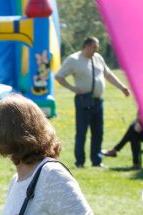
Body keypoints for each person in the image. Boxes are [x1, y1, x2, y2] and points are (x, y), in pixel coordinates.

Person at [55, 36, 131, 168]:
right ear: (87, 46)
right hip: (83, 100)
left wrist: (122, 87)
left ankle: (96, 161)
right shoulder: (74, 59)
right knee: (82, 132)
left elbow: (108, 75)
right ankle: (80, 162)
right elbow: (59, 76)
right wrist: (72, 88)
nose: (97, 50)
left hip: (97, 101)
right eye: (95, 47)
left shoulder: (98, 58)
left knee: (98, 132)